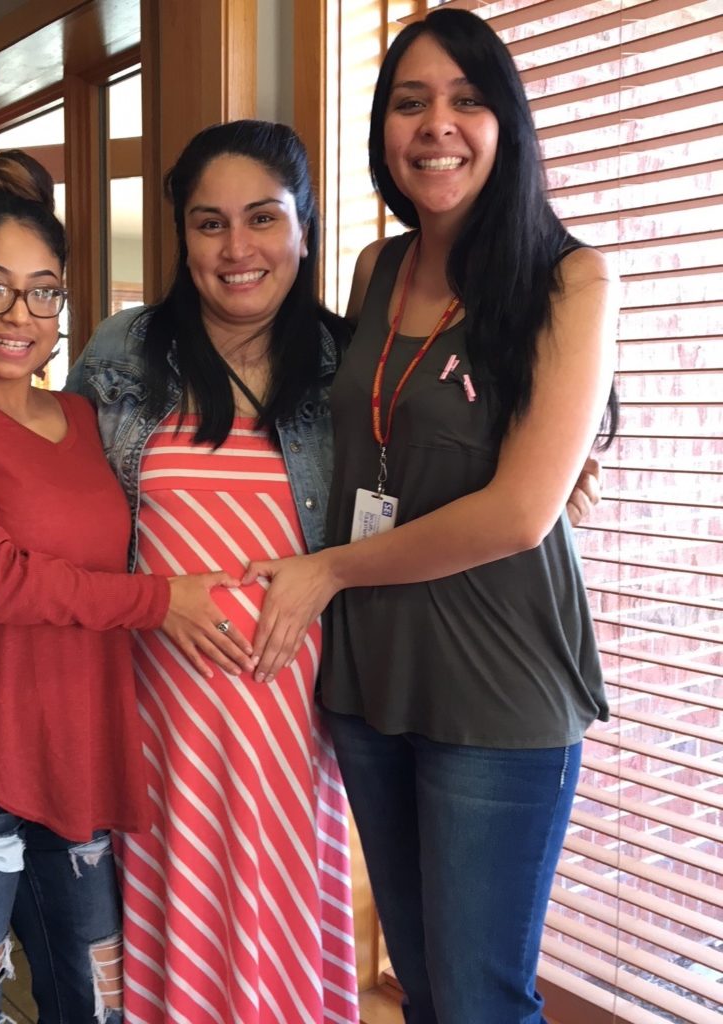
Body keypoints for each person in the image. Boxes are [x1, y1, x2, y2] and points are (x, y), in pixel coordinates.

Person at [243, 10, 618, 1023]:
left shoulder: (570, 280)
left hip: (496, 686)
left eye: (464, 100)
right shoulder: (375, 268)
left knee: (478, 997)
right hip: (375, 675)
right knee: (416, 983)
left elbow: (519, 512)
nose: (435, 125)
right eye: (410, 102)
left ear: (505, 123)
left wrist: (324, 573)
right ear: (383, 130)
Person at [0, 150, 253, 1024]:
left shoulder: (81, 415)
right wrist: (163, 604)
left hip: (74, 749)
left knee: (96, 1003)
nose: (18, 315)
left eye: (44, 291)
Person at [66, 120, 362, 1024]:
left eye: (263, 219)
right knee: (171, 930)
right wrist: (152, 603)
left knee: (279, 930)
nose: (238, 249)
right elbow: (60, 504)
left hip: (290, 714)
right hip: (160, 712)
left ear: (304, 229)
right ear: (181, 237)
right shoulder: (125, 352)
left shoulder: (347, 361)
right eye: (208, 223)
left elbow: (490, 430)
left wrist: (571, 468)